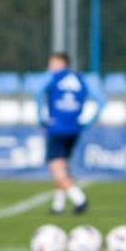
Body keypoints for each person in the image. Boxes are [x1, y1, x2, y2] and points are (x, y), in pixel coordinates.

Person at [38, 52, 97, 214]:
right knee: (62, 167)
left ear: (60, 62)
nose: (50, 67)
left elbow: (37, 93)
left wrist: (41, 119)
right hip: (74, 129)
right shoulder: (81, 79)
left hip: (57, 128)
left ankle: (79, 199)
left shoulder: (54, 78)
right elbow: (101, 100)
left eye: (52, 63)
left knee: (55, 167)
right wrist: (88, 121)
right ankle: (58, 205)